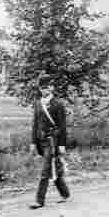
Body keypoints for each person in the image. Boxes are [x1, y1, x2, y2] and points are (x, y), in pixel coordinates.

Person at [29, 75, 70, 209]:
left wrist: (62, 145)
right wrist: (33, 142)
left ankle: (39, 200)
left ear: (52, 88)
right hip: (41, 141)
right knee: (54, 168)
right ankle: (65, 193)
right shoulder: (38, 103)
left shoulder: (58, 104)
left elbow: (62, 127)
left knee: (45, 170)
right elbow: (35, 124)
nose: (44, 90)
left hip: (54, 141)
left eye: (46, 87)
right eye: (42, 88)